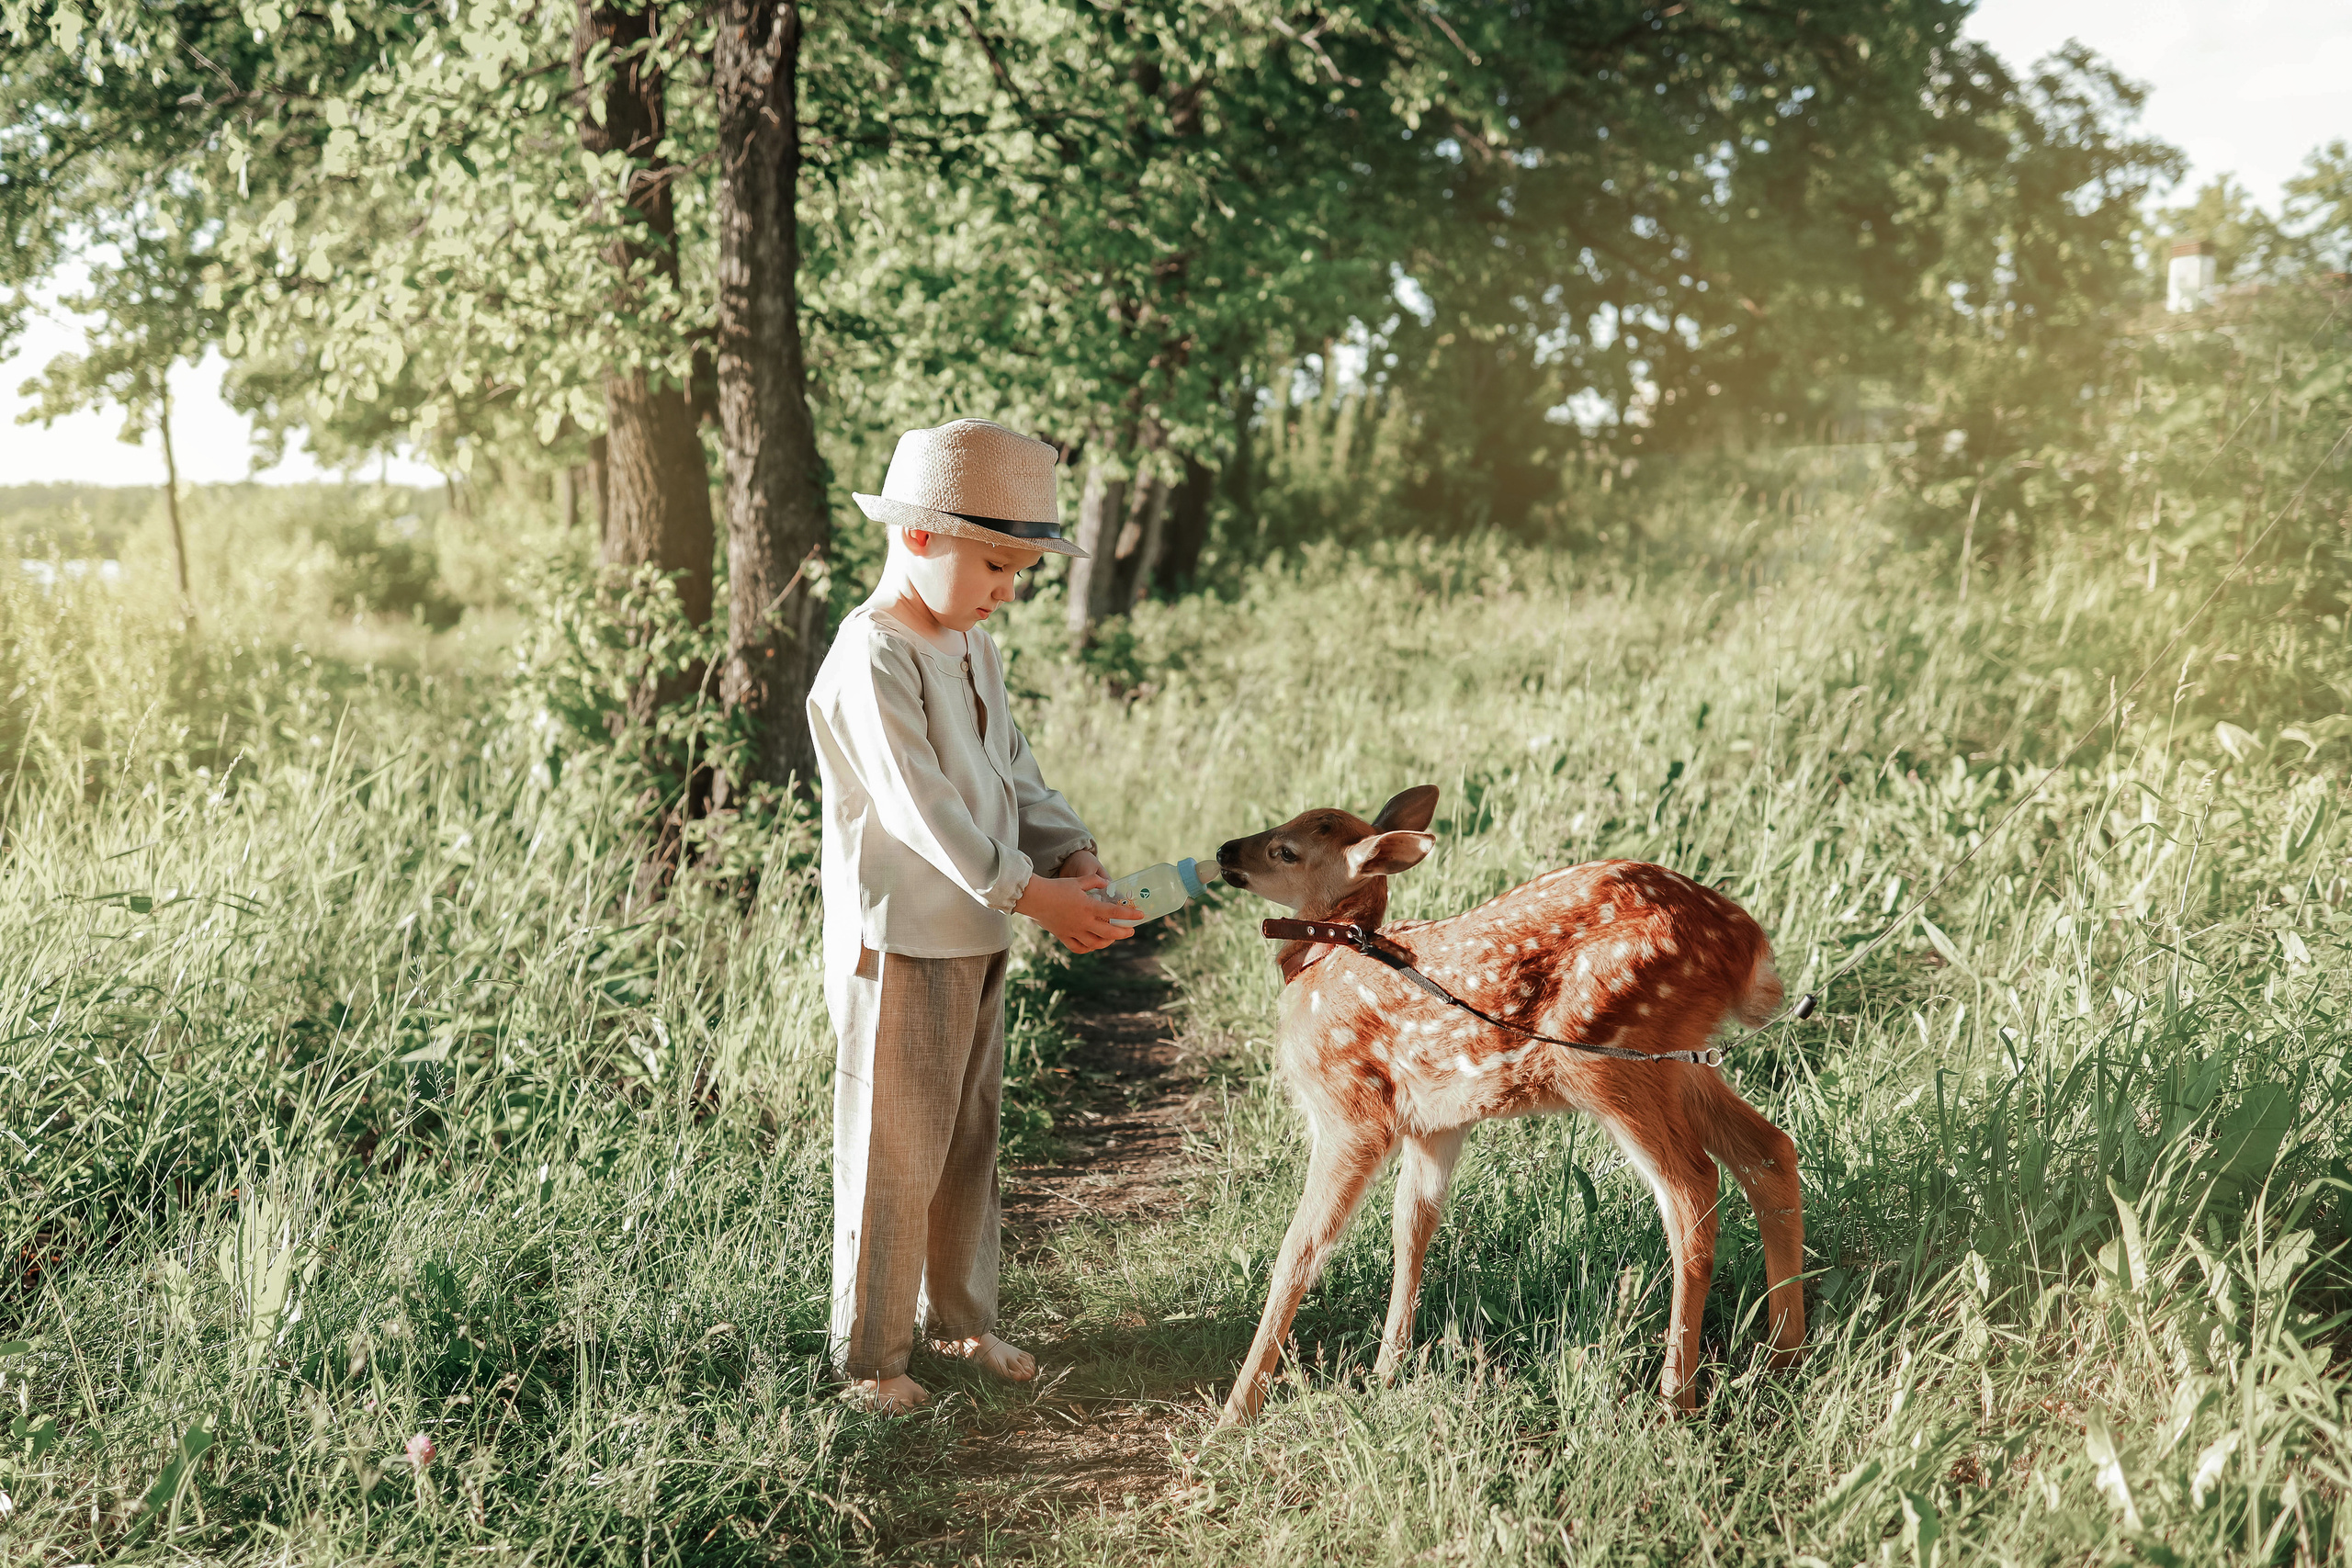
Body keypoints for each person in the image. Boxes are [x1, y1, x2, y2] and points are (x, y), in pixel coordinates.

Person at [806, 417, 1139, 1414]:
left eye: (1021, 571)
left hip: (981, 930)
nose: (1006, 587)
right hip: (904, 937)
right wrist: (1030, 892)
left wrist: (1065, 850)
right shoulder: (874, 653)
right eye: (995, 562)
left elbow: (1012, 771)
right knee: (892, 1146)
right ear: (917, 537)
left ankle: (959, 1322)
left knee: (965, 1139)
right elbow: (921, 806)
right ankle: (871, 1361)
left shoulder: (972, 648)